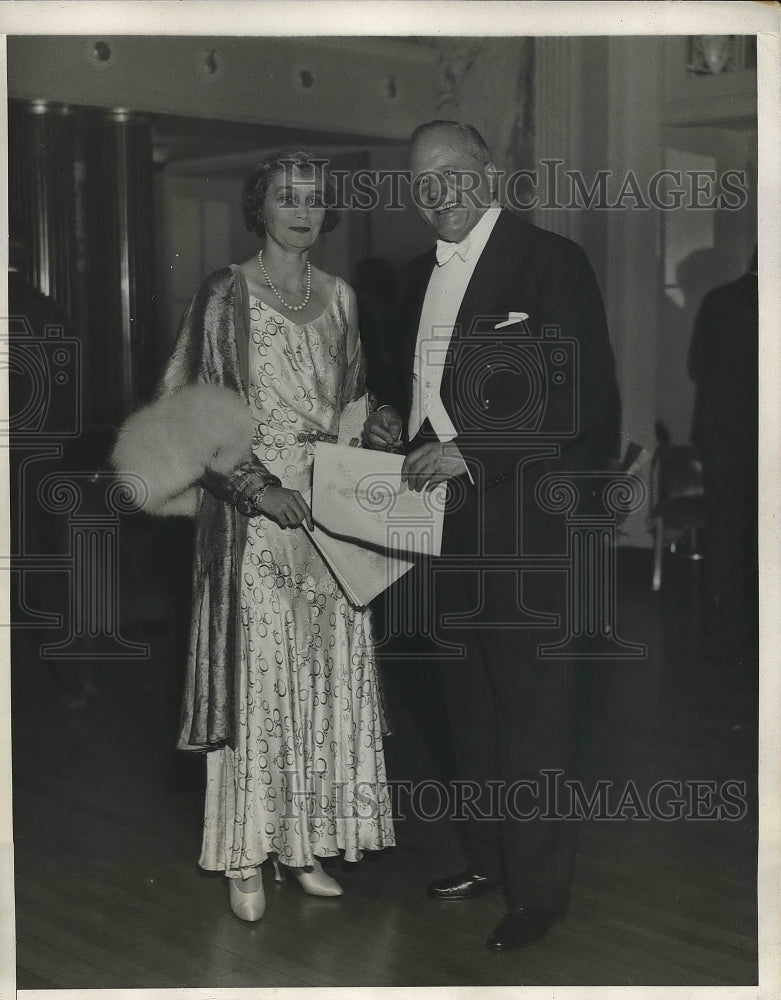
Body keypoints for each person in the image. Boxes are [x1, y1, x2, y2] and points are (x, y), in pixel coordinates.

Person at [113, 148, 394, 923]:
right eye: (285, 196)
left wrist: (379, 421)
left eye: (314, 197)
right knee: (261, 684)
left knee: (321, 677)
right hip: (254, 524)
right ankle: (244, 851)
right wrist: (252, 487)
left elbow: (351, 396)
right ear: (258, 208)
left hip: (331, 518)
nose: (301, 209)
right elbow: (186, 415)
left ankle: (301, 845)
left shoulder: (339, 296)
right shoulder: (224, 293)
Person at [364, 121, 618, 951]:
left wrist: (470, 449)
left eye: (450, 173)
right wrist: (393, 423)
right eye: (420, 179)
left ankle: (538, 894)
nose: (435, 190)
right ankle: (485, 858)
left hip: (527, 533)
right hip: (439, 532)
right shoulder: (413, 278)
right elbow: (419, 391)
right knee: (465, 710)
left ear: (490, 174)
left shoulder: (551, 263)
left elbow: (577, 399)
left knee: (532, 718)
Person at [688, 246, 758, 665]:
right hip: (763, 434)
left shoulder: (717, 299)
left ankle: (719, 627)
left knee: (723, 528)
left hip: (718, 434)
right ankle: (756, 627)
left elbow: (695, 367)